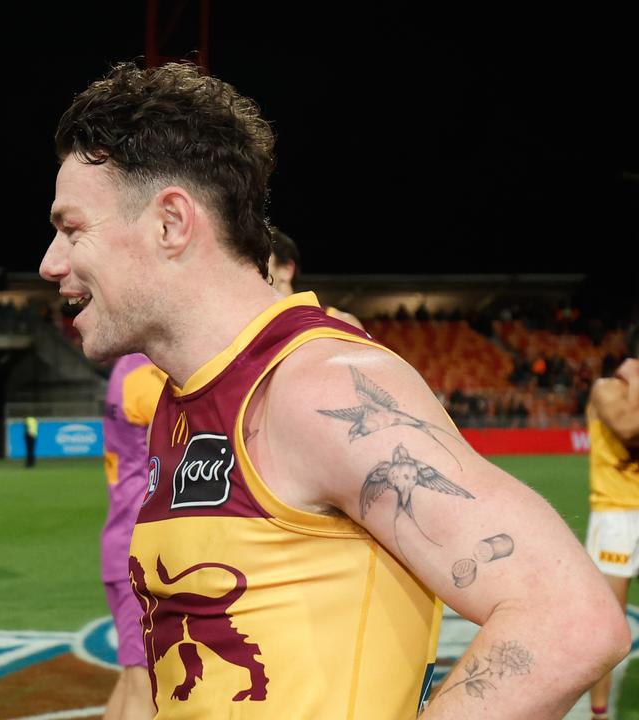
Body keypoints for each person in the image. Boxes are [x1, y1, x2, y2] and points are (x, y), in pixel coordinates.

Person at [39, 61, 627, 718]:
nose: (50, 264)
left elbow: (568, 618)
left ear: (172, 222)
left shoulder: (317, 387)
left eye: (72, 228)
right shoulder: (183, 401)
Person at [101, 353, 167, 720]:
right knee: (146, 685)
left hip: (123, 541)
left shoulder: (129, 369)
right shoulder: (145, 374)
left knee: (131, 680)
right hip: (138, 549)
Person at [584, 327, 639, 720]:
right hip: (617, 516)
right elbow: (628, 427)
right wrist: (635, 380)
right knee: (609, 628)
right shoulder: (607, 388)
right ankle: (599, 715)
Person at [267, 228, 365, 330]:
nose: (254, 268)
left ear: (286, 270)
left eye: (262, 259)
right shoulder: (256, 328)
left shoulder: (340, 322)